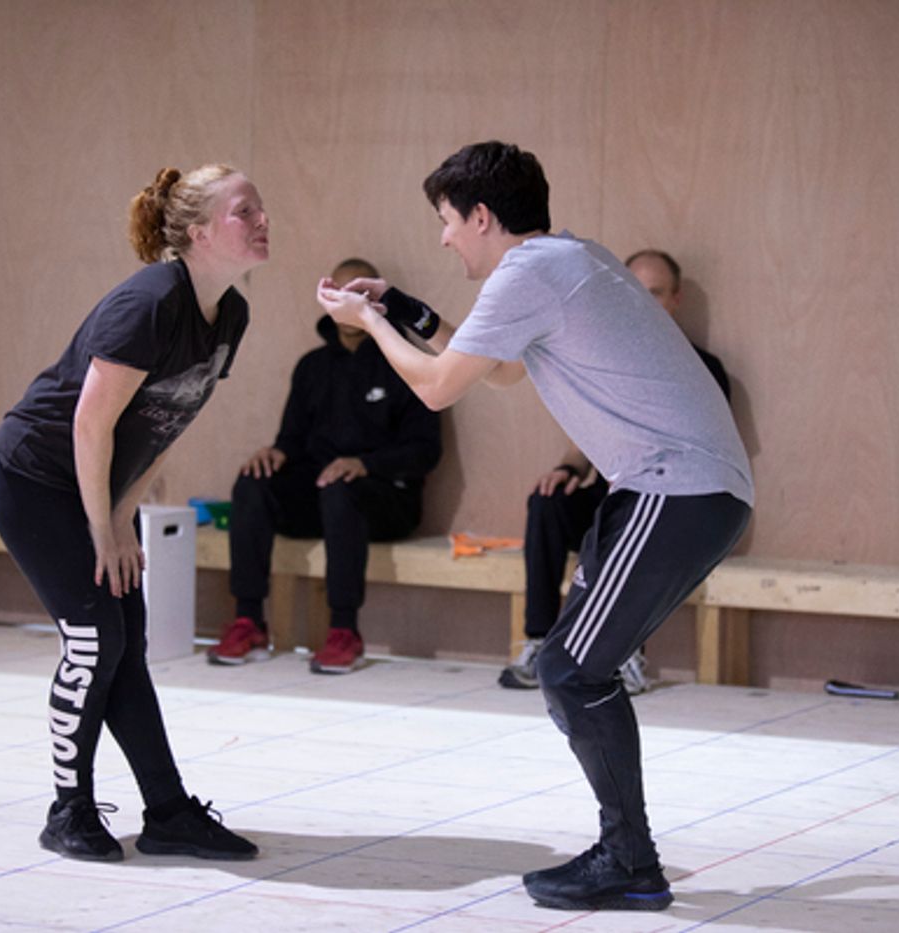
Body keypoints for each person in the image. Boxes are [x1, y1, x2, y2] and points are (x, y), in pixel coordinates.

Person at [316, 142, 752, 912]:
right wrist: (403, 309)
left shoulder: (529, 272)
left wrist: (365, 323)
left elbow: (438, 389)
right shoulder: (563, 258)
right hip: (677, 488)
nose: (445, 237)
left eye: (448, 222)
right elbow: (506, 368)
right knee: (570, 668)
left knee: (570, 671)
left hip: (676, 487)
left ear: (482, 216)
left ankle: (630, 858)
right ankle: (628, 853)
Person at [0, 164, 267, 864]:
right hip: (33, 477)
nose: (263, 220)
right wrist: (102, 526)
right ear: (200, 233)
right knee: (93, 638)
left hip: (96, 484)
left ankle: (168, 811)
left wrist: (123, 511)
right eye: (246, 211)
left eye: (262, 209)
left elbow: (162, 424)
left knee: (125, 638)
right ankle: (67, 809)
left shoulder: (230, 313)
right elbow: (90, 424)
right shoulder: (147, 305)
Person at [500, 248, 732, 693]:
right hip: (614, 489)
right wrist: (566, 468)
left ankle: (619, 654)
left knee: (634, 525)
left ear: (676, 299)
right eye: (636, 292)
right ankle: (539, 642)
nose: (646, 302)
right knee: (547, 502)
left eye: (657, 293)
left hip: (676, 503)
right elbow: (586, 438)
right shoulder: (606, 358)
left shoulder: (703, 369)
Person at [208, 258, 441, 674]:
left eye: (361, 294)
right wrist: (275, 453)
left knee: (341, 489)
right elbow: (292, 442)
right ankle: (248, 620)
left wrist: (365, 464)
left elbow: (426, 451)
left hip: (386, 499)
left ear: (374, 301)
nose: (351, 302)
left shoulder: (406, 362)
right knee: (253, 483)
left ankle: (344, 631)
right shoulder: (312, 367)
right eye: (343, 293)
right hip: (321, 497)